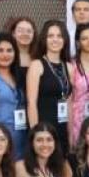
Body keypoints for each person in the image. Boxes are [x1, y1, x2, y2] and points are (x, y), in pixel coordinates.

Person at [27, 20, 73, 154]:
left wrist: (70, 134)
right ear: (44, 39)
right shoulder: (36, 65)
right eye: (50, 36)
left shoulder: (69, 67)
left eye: (59, 36)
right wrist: (35, 134)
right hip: (44, 130)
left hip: (62, 128)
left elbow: (69, 103)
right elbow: (31, 103)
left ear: (65, 40)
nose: (55, 40)